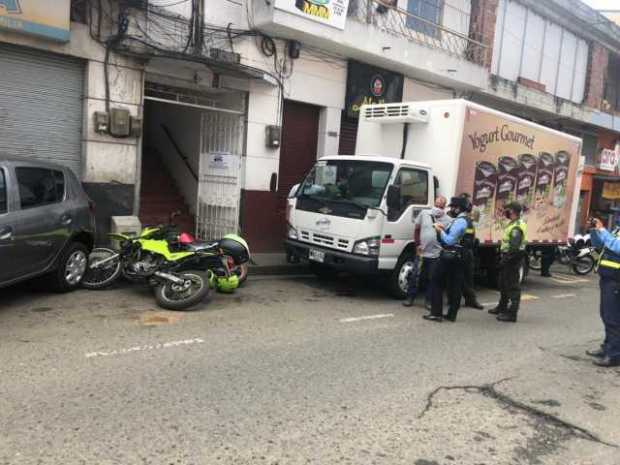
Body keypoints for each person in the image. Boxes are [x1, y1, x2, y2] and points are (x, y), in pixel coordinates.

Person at [423, 196, 469, 322]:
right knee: (455, 285)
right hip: (459, 256)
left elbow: (449, 240)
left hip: (450, 255)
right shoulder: (465, 220)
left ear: (458, 208)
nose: (451, 209)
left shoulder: (460, 221)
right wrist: (444, 229)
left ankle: (436, 313)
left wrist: (439, 230)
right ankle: (451, 314)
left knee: (436, 281)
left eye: (453, 207)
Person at [404, 196, 451, 308]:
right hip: (421, 252)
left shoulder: (448, 220)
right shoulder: (424, 213)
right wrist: (417, 244)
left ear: (444, 207)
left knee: (432, 278)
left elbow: (448, 237)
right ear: (434, 203)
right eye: (437, 205)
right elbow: (417, 230)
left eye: (441, 206)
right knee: (415, 275)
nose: (438, 208)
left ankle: (428, 301)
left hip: (436, 254)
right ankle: (410, 298)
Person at [587, 217, 620, 368]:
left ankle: (614, 355)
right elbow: (599, 245)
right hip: (608, 276)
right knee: (606, 315)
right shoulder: (617, 230)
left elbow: (616, 246)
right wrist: (594, 231)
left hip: (616, 279)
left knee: (612, 317)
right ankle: (607, 347)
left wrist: (602, 229)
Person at [488, 202, 527, 322]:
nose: (505, 212)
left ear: (513, 211)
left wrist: (506, 260)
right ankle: (502, 307)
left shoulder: (516, 227)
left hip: (512, 259)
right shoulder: (513, 223)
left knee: (512, 286)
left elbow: (514, 247)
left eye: (507, 210)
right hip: (509, 257)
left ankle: (511, 314)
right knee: (503, 284)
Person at [459, 193, 484, 310]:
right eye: (468, 203)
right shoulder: (460, 217)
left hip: (467, 250)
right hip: (461, 250)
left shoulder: (468, 217)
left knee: (468, 277)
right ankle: (455, 300)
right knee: (458, 277)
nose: (470, 206)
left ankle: (470, 300)